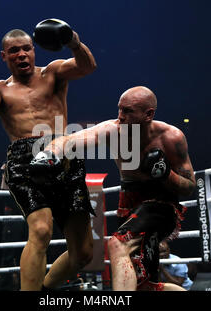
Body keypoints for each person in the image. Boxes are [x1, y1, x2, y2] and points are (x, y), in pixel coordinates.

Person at [0, 18, 97, 290]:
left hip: (64, 154)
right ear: (3, 56)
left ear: (34, 50)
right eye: (14, 51)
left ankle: (45, 288)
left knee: (83, 253)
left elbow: (87, 66)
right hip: (25, 161)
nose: (21, 54)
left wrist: (72, 39)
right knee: (40, 230)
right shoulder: (0, 88)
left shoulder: (53, 72)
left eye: (26, 48)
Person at [31, 86, 196, 291]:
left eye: (128, 111)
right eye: (119, 109)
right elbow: (71, 140)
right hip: (129, 204)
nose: (120, 116)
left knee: (118, 244)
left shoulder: (171, 137)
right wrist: (48, 153)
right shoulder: (113, 130)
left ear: (148, 114)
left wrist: (166, 174)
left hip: (161, 204)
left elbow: (189, 186)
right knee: (143, 286)